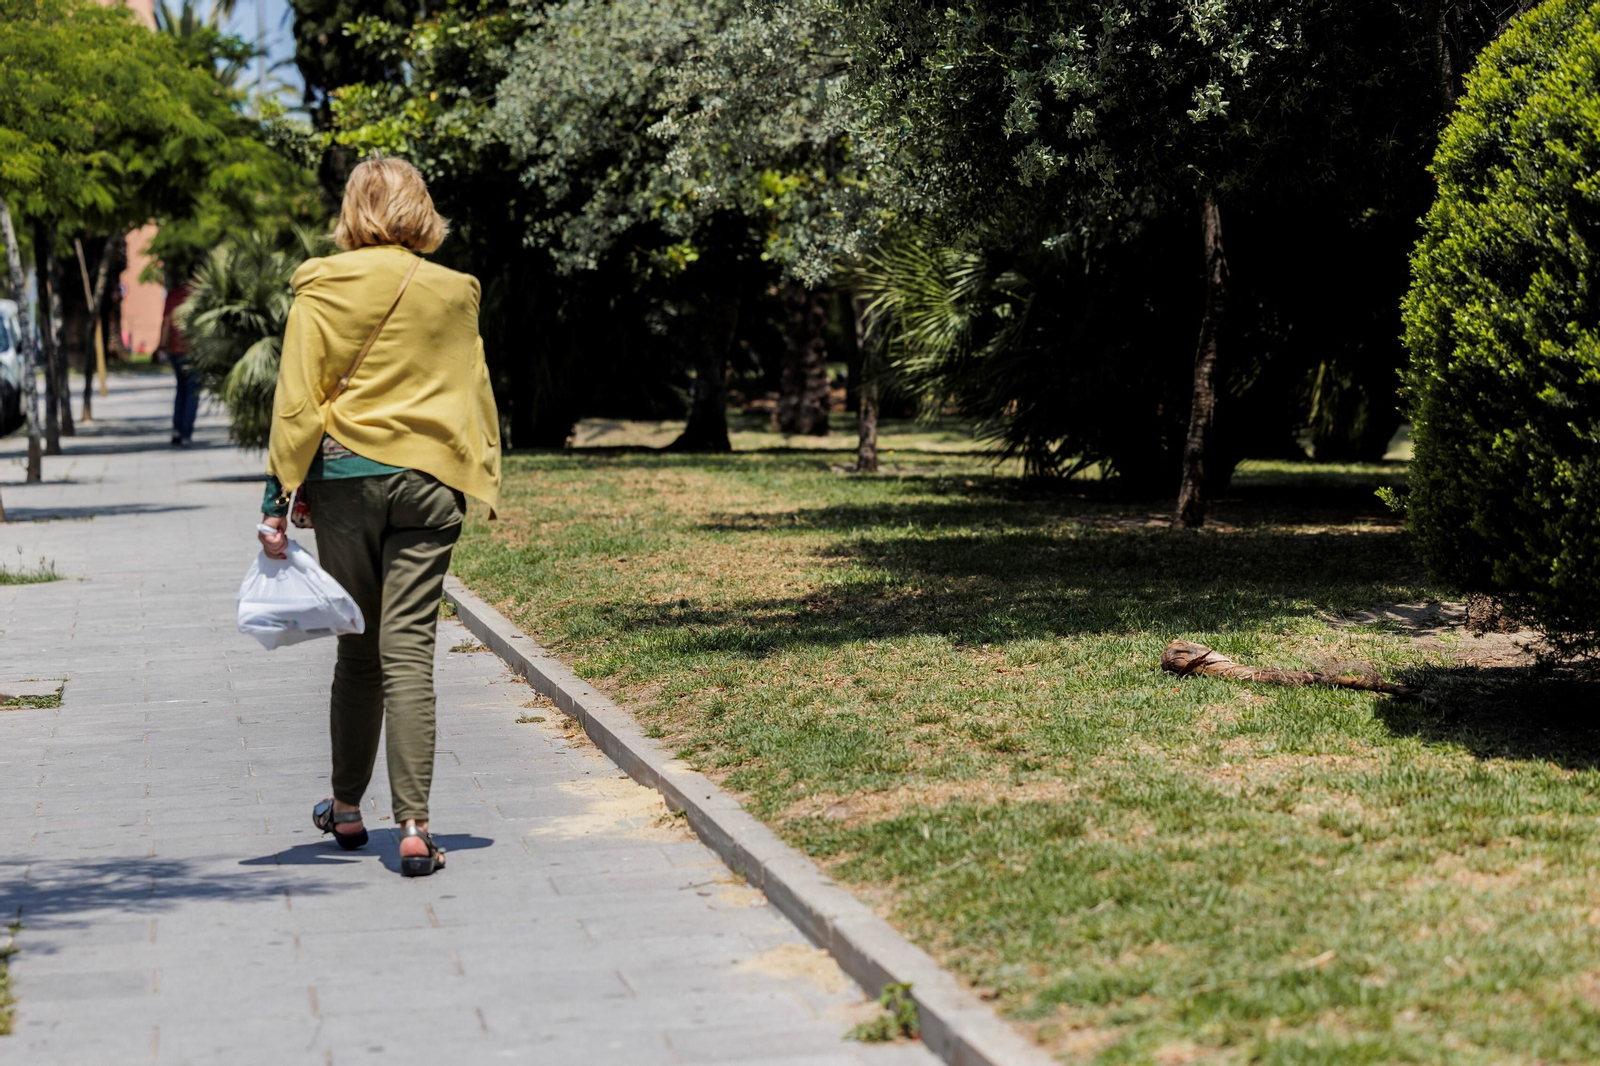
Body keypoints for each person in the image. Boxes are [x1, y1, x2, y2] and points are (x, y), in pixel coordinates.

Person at [256, 157, 502, 877]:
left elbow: (298, 400)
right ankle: (417, 826)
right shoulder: (456, 290)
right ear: (420, 209)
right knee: (410, 652)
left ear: (352, 210)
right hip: (430, 483)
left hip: (346, 483)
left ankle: (348, 808)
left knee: (358, 648)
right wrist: (485, 475)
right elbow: (474, 386)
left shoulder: (322, 284)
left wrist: (276, 501)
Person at [157, 281, 198, 446]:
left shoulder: (173, 295)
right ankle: (186, 433)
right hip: (195, 352)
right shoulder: (200, 295)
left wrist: (161, 346)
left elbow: (166, 322)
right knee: (192, 392)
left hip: (176, 350)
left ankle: (176, 429)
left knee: (181, 389)